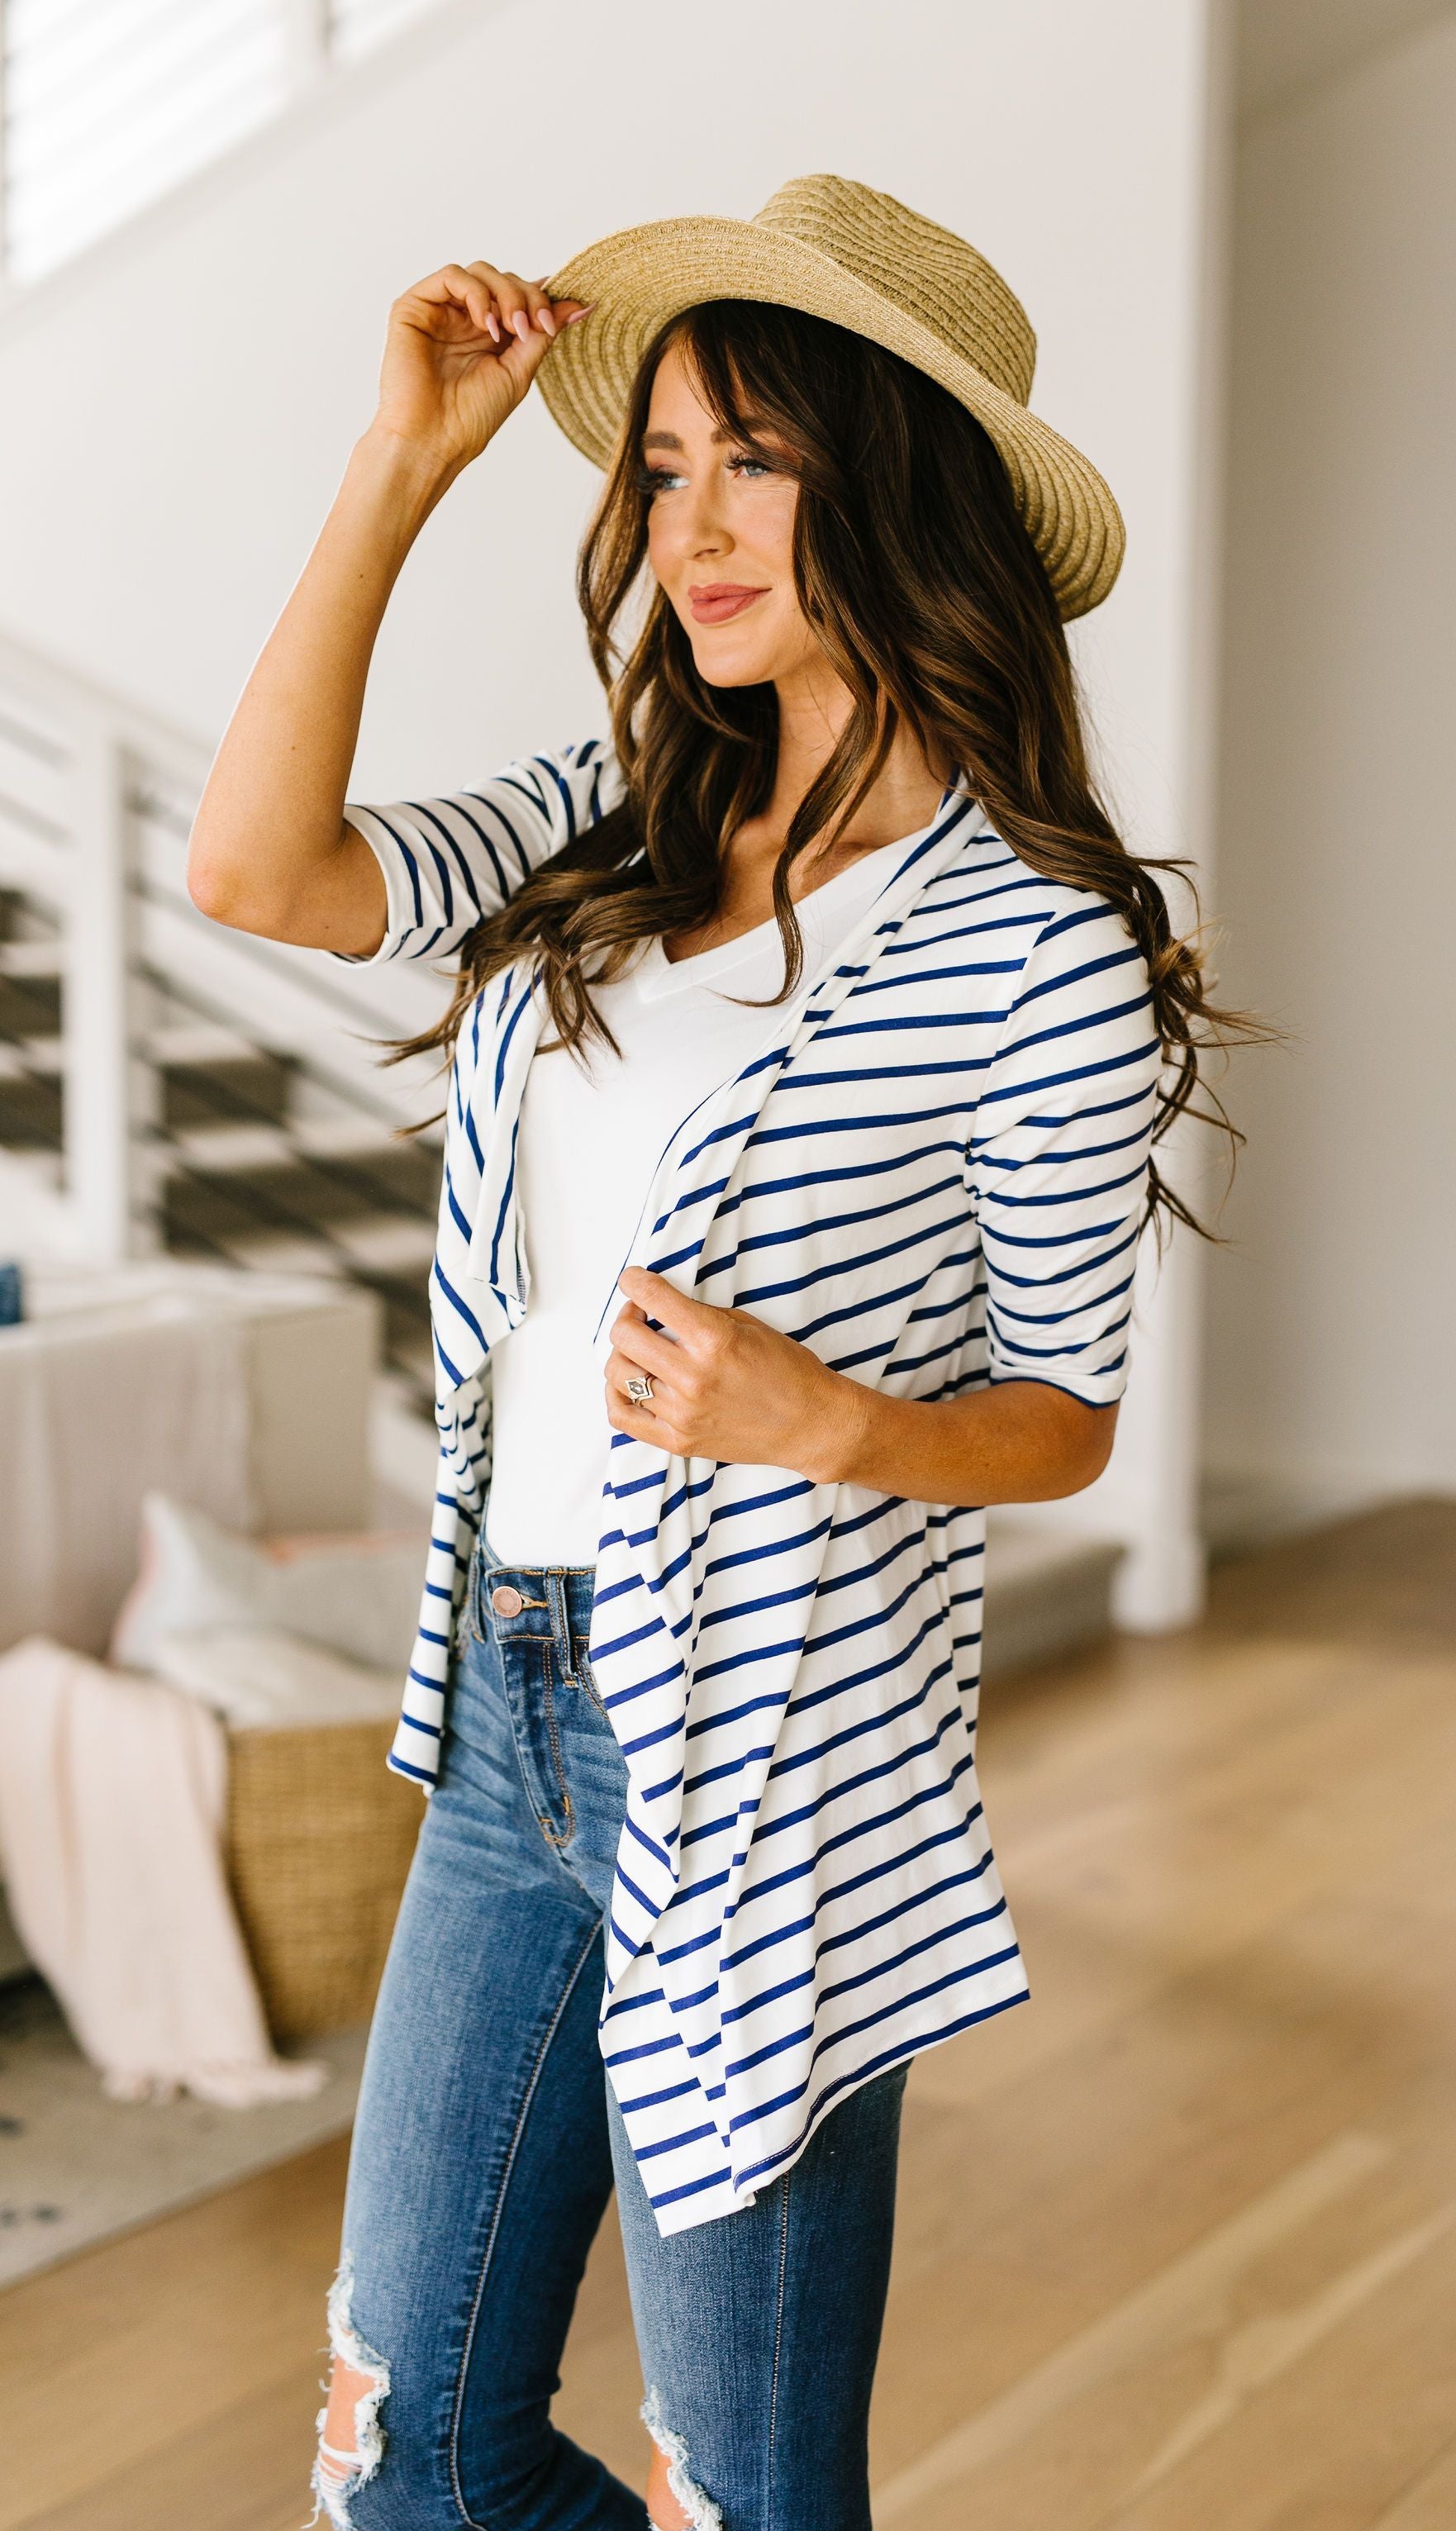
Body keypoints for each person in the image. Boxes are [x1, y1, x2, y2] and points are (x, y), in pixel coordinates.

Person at [188, 174, 1228, 2531]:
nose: (693, 523)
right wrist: (402, 466)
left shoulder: (1035, 946)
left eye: (751, 455)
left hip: (765, 1758)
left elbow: (1064, 1419)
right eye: (658, 468)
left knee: (745, 2493)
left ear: (893, 480)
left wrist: (823, 1421)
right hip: (508, 1716)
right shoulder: (611, 823)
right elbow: (254, 873)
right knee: (406, 2460)